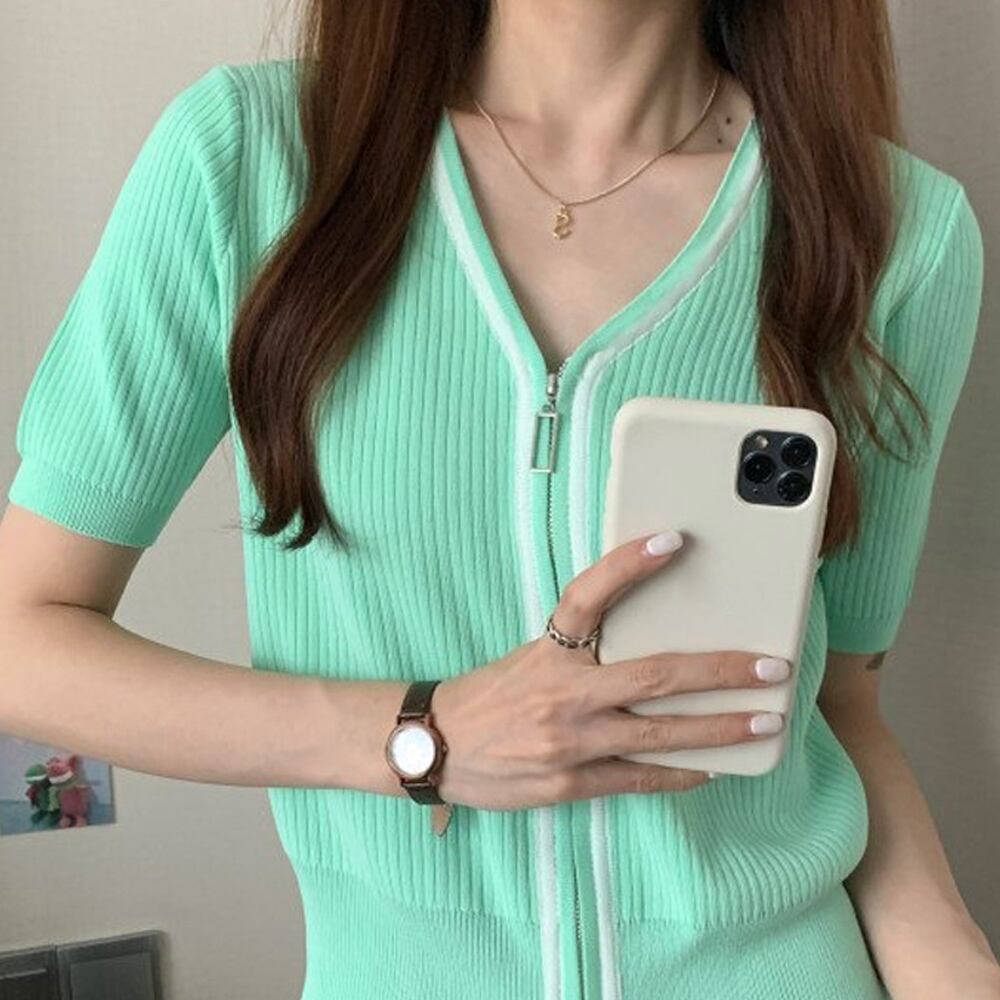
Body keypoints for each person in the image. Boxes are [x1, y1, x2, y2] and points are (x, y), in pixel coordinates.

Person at [1, 2, 996, 998]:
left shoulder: (893, 228)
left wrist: (950, 960)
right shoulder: (252, 162)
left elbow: (838, 700)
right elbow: (22, 640)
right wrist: (425, 736)